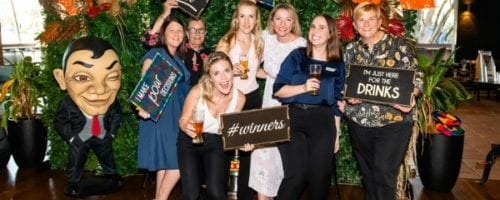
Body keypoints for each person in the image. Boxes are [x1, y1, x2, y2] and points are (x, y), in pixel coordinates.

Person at [341, 2, 421, 200]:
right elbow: (344, 82)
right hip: (359, 122)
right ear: (355, 25)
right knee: (368, 175)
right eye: (361, 20)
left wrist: (413, 94)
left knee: (384, 173)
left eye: (371, 19)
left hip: (393, 121)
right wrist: (347, 94)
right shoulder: (350, 49)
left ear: (379, 22)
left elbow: (417, 76)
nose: (366, 24)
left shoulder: (398, 45)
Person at [273, 14, 345, 200]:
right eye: (313, 26)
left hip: (322, 120)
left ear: (330, 34)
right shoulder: (297, 56)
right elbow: (278, 90)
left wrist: (336, 134)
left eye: (321, 27)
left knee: (320, 177)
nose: (315, 31)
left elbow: (337, 101)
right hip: (293, 118)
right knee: (296, 176)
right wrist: (303, 87)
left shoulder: (337, 63)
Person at [248, 3, 306, 200]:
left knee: (284, 165)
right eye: (278, 18)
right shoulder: (266, 39)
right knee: (263, 159)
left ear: (294, 22)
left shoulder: (302, 45)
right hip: (269, 106)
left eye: (288, 19)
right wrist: (269, 77)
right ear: (271, 20)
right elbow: (254, 68)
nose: (283, 24)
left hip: (291, 107)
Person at [53, 37, 123, 197]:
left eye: (112, 76)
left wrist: (111, 133)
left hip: (102, 135)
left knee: (107, 157)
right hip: (80, 137)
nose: (99, 90)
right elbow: (59, 121)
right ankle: (73, 182)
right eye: (82, 77)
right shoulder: (67, 104)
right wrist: (71, 137)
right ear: (61, 79)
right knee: (76, 160)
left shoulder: (113, 103)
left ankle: (111, 176)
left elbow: (117, 115)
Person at [178, 51, 253, 200]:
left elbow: (230, 132)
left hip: (215, 142)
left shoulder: (239, 99)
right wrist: (186, 127)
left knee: (217, 193)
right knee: (191, 195)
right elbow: (183, 119)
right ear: (210, 78)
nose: (223, 77)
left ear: (233, 72)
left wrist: (242, 144)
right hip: (189, 142)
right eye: (216, 73)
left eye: (227, 70)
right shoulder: (197, 91)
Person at [135, 15, 190, 200]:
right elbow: (146, 80)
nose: (176, 34)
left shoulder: (179, 58)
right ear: (163, 34)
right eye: (171, 30)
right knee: (179, 162)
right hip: (163, 114)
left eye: (179, 30)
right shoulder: (157, 53)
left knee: (166, 163)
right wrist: (144, 105)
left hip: (178, 113)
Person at [216, 1, 265, 199]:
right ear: (236, 18)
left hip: (253, 99)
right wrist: (230, 70)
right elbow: (212, 72)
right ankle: (219, 192)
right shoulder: (227, 41)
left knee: (249, 151)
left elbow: (255, 71)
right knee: (225, 150)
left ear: (256, 20)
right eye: (242, 16)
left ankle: (244, 195)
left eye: (251, 16)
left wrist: (272, 74)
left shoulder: (258, 42)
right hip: (231, 99)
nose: (246, 21)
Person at [143, 0, 211, 86]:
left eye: (201, 30)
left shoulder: (210, 54)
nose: (197, 33)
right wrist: (165, 13)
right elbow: (148, 40)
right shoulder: (177, 48)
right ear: (186, 33)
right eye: (193, 30)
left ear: (205, 33)